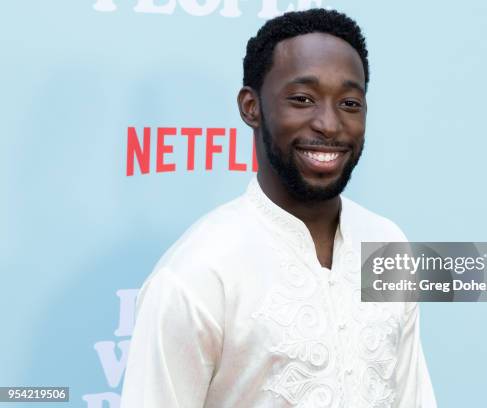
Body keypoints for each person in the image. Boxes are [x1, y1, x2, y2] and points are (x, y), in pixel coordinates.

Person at [121, 8, 436, 408]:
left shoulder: (388, 243)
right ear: (251, 107)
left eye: (350, 103)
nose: (330, 124)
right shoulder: (197, 272)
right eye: (303, 99)